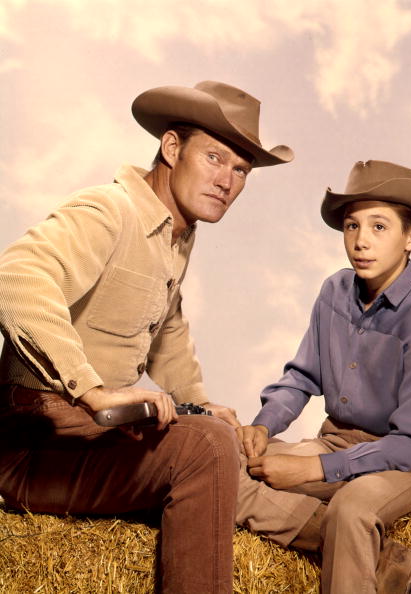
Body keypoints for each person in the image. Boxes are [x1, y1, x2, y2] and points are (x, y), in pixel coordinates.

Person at [0, 80, 293, 593]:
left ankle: (370, 557)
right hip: (33, 443)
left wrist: (198, 401)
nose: (227, 180)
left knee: (239, 451)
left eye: (241, 170)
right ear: (172, 148)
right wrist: (91, 391)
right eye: (215, 158)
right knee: (205, 449)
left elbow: (168, 327)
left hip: (94, 437)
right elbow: (15, 279)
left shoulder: (176, 232)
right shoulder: (109, 212)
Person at [236, 160, 411, 594]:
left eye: (379, 227)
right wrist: (264, 425)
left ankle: (351, 543)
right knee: (229, 469)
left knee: (352, 508)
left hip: (407, 458)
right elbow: (302, 376)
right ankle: (387, 564)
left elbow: (410, 443)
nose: (360, 242)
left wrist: (311, 469)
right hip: (337, 438)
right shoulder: (334, 291)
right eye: (352, 227)